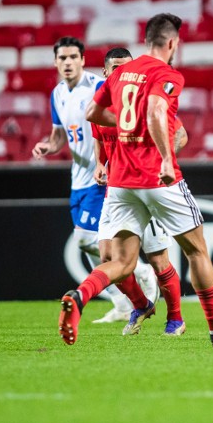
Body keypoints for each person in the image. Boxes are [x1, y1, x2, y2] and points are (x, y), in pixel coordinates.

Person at [59, 13, 213, 348]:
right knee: (196, 251)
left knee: (120, 261)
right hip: (156, 177)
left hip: (120, 182)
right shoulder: (166, 74)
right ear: (171, 42)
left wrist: (124, 127)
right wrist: (165, 157)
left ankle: (79, 296)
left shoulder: (119, 75)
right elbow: (153, 111)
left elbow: (91, 114)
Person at [31, 37, 157, 324]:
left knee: (86, 238)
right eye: (62, 58)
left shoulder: (100, 86)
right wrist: (47, 146)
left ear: (83, 60)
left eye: (73, 57)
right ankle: (122, 302)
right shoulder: (58, 93)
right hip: (77, 178)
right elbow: (60, 136)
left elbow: (122, 123)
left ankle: (140, 272)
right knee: (88, 243)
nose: (67, 63)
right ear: (55, 62)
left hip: (101, 178)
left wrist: (111, 161)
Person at [91, 47, 188, 337]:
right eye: (116, 68)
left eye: (127, 67)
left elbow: (180, 134)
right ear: (106, 73)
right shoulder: (100, 105)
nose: (123, 73)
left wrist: (162, 158)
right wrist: (100, 164)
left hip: (147, 186)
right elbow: (100, 138)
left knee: (159, 260)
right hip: (118, 189)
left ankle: (175, 317)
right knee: (109, 258)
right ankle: (141, 303)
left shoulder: (147, 99)